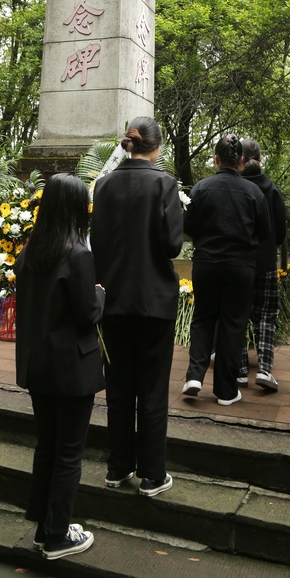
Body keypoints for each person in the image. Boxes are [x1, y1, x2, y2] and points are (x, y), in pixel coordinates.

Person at [90, 117, 183, 498]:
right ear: (156, 146)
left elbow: (96, 240)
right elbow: (173, 245)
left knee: (118, 386)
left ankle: (117, 467)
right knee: (152, 388)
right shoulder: (164, 184)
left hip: (112, 300)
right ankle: (152, 474)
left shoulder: (104, 184)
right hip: (153, 300)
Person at [14, 173, 105, 559]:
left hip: (39, 366)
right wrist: (100, 296)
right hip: (72, 369)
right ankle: (56, 535)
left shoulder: (28, 253)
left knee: (47, 446)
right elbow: (87, 315)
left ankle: (43, 525)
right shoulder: (79, 255)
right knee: (68, 452)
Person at [182, 135, 271, 406]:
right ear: (241, 161)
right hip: (240, 267)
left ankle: (194, 376)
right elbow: (265, 232)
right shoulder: (253, 192)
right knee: (233, 324)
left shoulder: (201, 188)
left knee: (203, 318)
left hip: (206, 263)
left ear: (216, 160)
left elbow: (188, 226)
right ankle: (226, 391)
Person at [237, 140, 287, 392]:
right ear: (261, 159)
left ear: (239, 159)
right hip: (265, 262)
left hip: (239, 262)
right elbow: (280, 230)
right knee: (266, 315)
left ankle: (240, 370)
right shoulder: (272, 189)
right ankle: (265, 369)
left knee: (238, 313)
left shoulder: (235, 187)